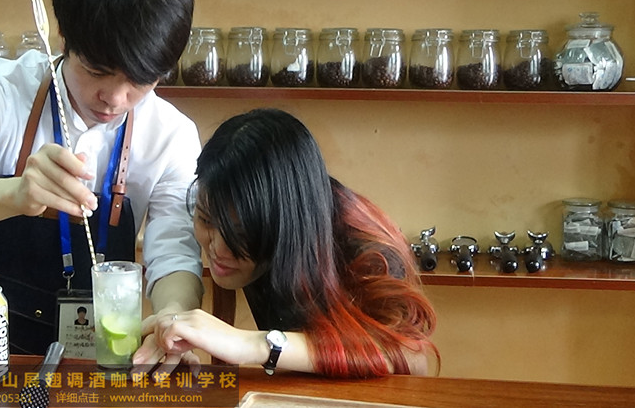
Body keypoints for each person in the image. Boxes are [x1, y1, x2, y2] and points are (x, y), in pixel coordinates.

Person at [0, 0, 203, 365]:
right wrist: (15, 194)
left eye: (141, 80)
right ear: (62, 37)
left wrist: (172, 317)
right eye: (97, 71)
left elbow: (174, 255)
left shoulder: (171, 134)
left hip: (98, 356)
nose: (115, 99)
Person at [142, 108, 438, 377]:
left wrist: (254, 344)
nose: (217, 248)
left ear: (286, 223)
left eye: (239, 234)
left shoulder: (366, 249)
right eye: (205, 220)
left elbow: (412, 357)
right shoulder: (251, 226)